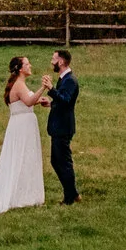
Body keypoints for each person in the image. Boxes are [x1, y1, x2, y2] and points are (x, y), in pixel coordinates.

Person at [0, 54, 46, 215]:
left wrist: (41, 100)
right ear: (20, 69)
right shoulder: (19, 85)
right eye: (27, 64)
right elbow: (28, 101)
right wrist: (44, 87)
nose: (30, 66)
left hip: (22, 124)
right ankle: (21, 196)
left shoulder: (20, 84)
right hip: (22, 126)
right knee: (22, 156)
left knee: (26, 157)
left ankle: (25, 194)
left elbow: (27, 101)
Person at [42, 48, 79, 204]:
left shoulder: (70, 80)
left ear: (61, 61)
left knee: (63, 162)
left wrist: (51, 89)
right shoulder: (63, 78)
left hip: (63, 127)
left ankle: (70, 197)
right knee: (57, 161)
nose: (52, 61)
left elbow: (65, 100)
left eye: (54, 59)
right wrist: (51, 104)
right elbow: (63, 102)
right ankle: (73, 193)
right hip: (59, 126)